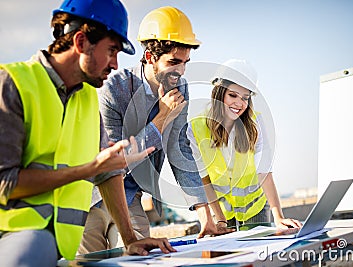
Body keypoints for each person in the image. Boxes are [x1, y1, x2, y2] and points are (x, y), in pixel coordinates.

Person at [0, 1, 176, 266]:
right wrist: (88, 168)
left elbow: (107, 172)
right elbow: (4, 182)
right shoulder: (12, 84)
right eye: (112, 50)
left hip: (64, 248)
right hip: (15, 240)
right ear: (81, 42)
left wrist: (130, 240)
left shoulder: (87, 99)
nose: (116, 64)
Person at [80, 6, 232, 253]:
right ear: (150, 57)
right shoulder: (113, 89)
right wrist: (162, 117)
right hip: (91, 199)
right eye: (173, 62)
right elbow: (116, 161)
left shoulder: (179, 88)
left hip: (130, 199)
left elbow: (179, 150)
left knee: (143, 259)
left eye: (185, 63)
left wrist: (205, 216)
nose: (181, 71)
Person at [187, 59, 302, 230]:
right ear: (219, 93)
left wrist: (278, 217)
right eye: (232, 95)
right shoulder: (195, 127)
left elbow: (264, 172)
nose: (239, 103)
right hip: (220, 210)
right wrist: (220, 219)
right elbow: (205, 180)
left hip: (255, 207)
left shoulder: (255, 123)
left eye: (245, 98)